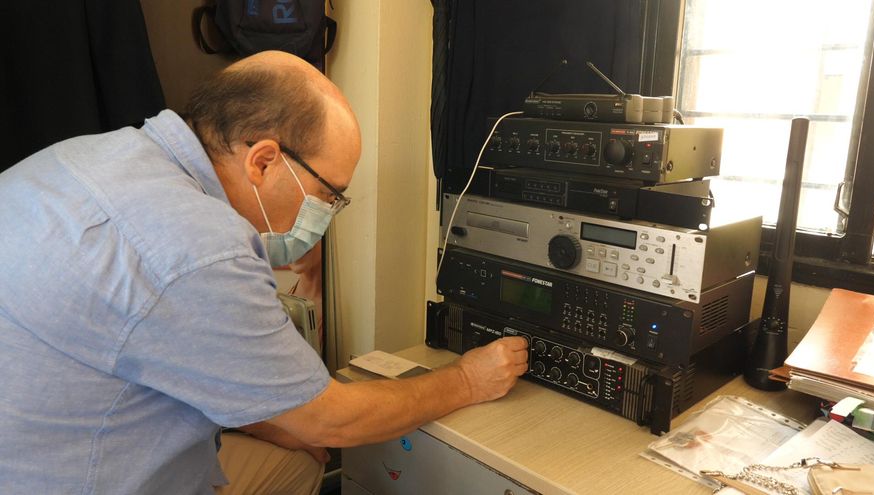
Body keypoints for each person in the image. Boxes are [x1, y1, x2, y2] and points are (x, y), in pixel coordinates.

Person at [0, 51, 528, 494]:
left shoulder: (89, 156)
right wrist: (467, 379)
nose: (324, 213)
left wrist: (265, 414)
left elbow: (146, 345)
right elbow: (333, 419)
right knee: (310, 456)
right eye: (328, 193)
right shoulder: (202, 247)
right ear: (264, 160)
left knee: (291, 452)